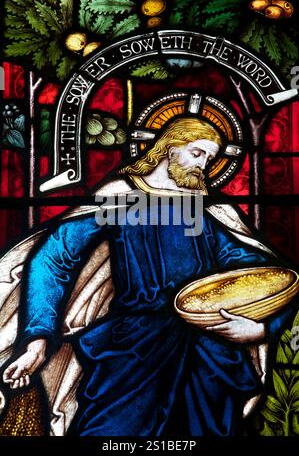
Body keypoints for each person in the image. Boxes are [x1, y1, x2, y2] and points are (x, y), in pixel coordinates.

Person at [2, 117, 295, 436]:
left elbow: (261, 276)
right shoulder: (119, 198)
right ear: (170, 148)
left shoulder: (204, 211)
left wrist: (262, 327)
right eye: (197, 153)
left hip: (205, 352)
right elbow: (55, 258)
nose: (204, 165)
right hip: (133, 348)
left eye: (210, 159)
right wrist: (37, 339)